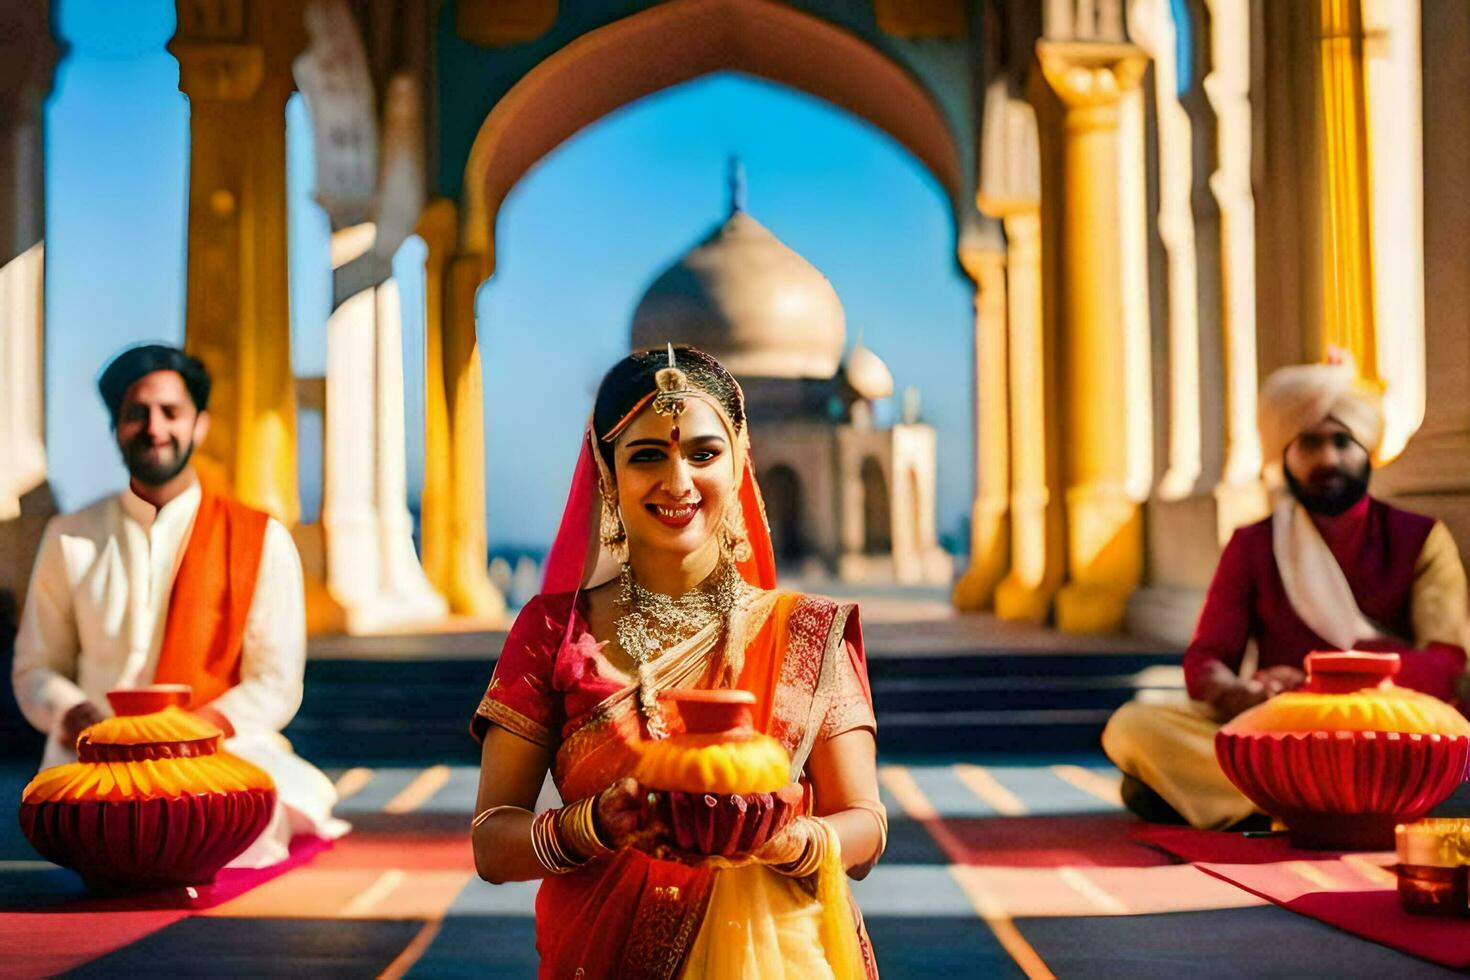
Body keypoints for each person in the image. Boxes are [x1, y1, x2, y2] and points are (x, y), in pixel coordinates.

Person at [470, 346, 884, 978]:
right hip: (603, 955)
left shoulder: (805, 630)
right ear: (607, 472)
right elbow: (492, 842)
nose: (679, 481)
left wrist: (783, 839)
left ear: (741, 456)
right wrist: (593, 827)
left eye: (703, 452)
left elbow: (866, 828)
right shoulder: (554, 632)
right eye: (647, 456)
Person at [11, 344, 347, 867]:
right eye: (136, 414)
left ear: (201, 424)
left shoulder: (259, 539)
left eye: (171, 412)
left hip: (214, 755)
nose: (155, 428)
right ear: (116, 428)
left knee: (243, 826)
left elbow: (276, 682)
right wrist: (73, 712)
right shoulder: (69, 537)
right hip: (97, 761)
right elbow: (35, 668)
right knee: (83, 825)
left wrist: (185, 736)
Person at [1103, 356, 1470, 830]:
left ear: (1368, 450)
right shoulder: (1254, 544)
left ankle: (1260, 800)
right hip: (1286, 734)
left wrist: (1317, 687)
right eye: (1310, 443)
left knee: (1435, 741)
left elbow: (1445, 663)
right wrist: (1234, 692)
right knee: (1135, 725)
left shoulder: (1420, 537)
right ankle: (1328, 802)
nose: (1328, 460)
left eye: (1343, 442)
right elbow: (1209, 656)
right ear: (1286, 452)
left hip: (1385, 731)